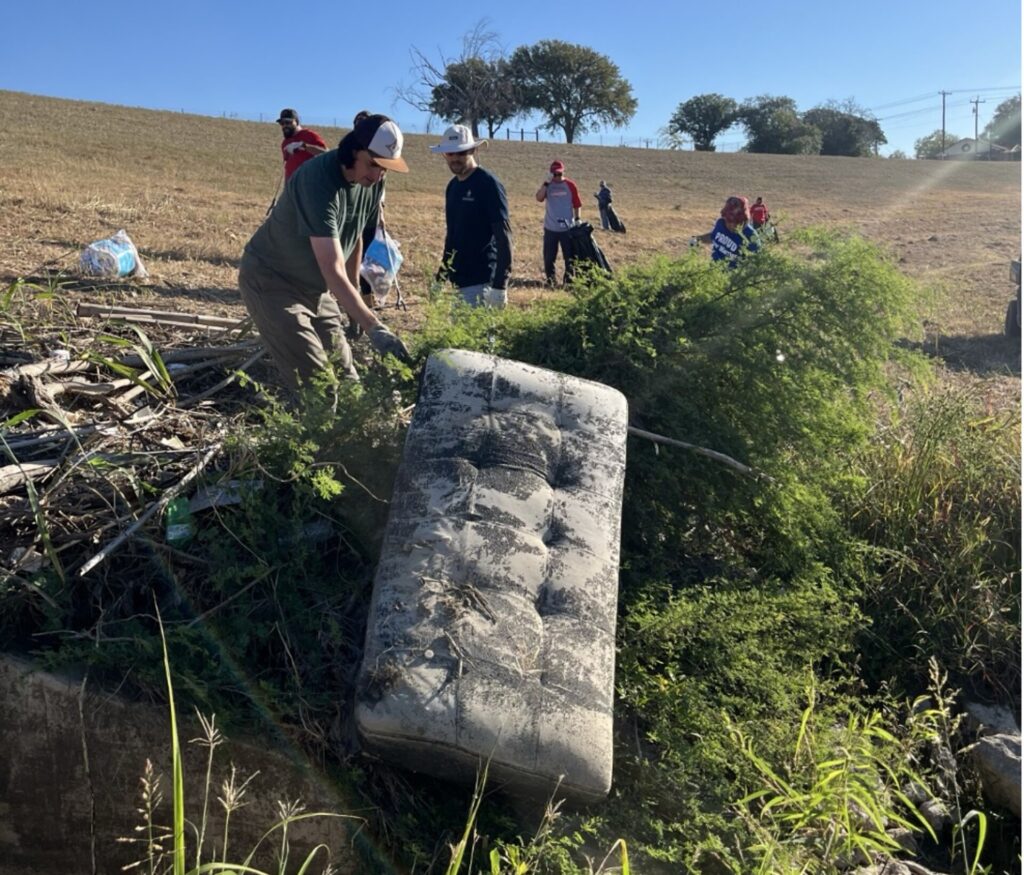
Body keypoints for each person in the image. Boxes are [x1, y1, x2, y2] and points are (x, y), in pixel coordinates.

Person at [239, 114, 412, 392]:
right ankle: (306, 434)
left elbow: (354, 234)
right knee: (320, 387)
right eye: (373, 164)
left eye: (385, 169)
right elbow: (331, 268)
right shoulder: (318, 180)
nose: (378, 174)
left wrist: (356, 299)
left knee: (348, 384)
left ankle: (343, 434)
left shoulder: (372, 183)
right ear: (354, 150)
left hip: (316, 288)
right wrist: (375, 327)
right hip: (273, 282)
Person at [430, 124, 513, 308]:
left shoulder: (488, 184)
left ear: (472, 150)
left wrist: (500, 286)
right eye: (450, 153)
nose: (455, 158)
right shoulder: (452, 187)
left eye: (460, 153)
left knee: (477, 336)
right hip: (459, 281)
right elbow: (452, 237)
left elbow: (504, 237)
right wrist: (441, 277)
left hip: (483, 280)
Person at [535, 160, 582, 286]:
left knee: (570, 258)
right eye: (554, 174)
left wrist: (577, 219)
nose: (557, 177)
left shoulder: (570, 185)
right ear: (550, 174)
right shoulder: (548, 186)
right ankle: (551, 281)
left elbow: (577, 204)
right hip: (550, 229)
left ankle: (569, 282)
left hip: (567, 229)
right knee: (549, 258)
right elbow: (539, 198)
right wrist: (545, 183)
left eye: (559, 174)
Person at [690, 196, 761, 268]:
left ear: (743, 221)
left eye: (733, 222)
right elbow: (713, 236)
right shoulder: (721, 223)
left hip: (734, 277)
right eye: (728, 220)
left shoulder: (751, 237)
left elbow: (756, 265)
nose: (729, 224)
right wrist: (698, 239)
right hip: (713, 271)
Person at [277, 108, 328, 181]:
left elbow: (326, 153)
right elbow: (288, 166)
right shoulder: (285, 143)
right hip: (293, 187)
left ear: (297, 122)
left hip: (310, 184)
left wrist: (304, 146)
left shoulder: (309, 135)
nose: (285, 126)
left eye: (288, 122)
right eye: (282, 123)